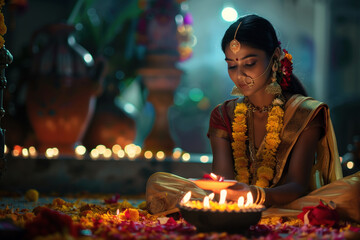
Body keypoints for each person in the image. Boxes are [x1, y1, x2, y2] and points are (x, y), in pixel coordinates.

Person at [146, 14, 360, 223]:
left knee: (353, 191)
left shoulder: (304, 112)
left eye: (249, 64)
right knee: (159, 182)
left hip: (291, 202)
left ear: (275, 57)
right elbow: (223, 181)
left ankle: (263, 213)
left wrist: (257, 195)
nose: (239, 75)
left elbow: (297, 186)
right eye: (232, 65)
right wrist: (226, 192)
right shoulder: (223, 115)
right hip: (234, 203)